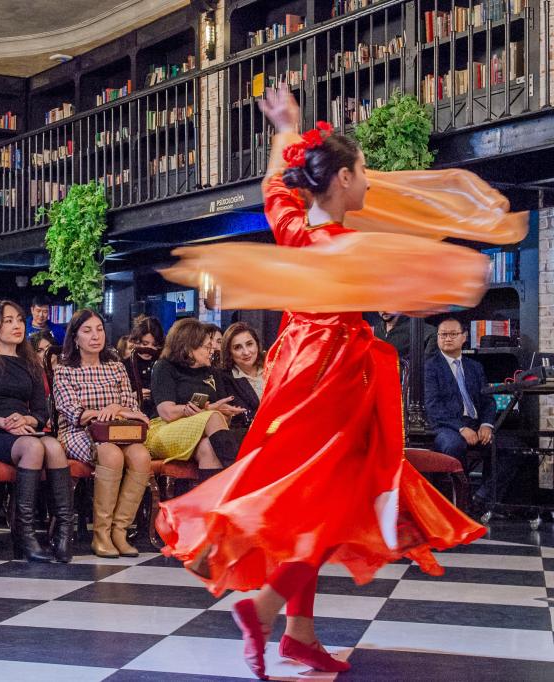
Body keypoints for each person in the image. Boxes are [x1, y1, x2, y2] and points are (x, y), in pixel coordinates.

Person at [157, 85, 501, 678]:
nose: (369, 180)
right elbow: (410, 286)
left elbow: (273, 187)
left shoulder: (296, 225)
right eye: (363, 169)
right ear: (340, 178)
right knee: (333, 498)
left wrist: (285, 128)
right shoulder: (346, 245)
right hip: (334, 371)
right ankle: (265, 611)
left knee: (311, 495)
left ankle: (298, 632)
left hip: (296, 364)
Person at [0, 300, 75, 562]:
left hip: (22, 428)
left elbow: (40, 412)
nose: (17, 325)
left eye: (20, 320)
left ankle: (63, 533)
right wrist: (1, 421)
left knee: (54, 447)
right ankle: (24, 535)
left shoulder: (30, 363)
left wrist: (26, 420)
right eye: (9, 320)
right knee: (34, 447)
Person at [53, 309, 151, 557]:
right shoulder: (64, 370)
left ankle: (120, 531)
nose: (95, 336)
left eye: (99, 329)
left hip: (117, 430)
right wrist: (105, 412)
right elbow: (73, 412)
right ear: (75, 338)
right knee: (110, 454)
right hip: (78, 432)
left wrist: (116, 408)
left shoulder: (116, 367)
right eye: (87, 331)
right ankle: (101, 534)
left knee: (141, 455)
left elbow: (131, 405)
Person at [425, 317, 509, 512]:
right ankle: (461, 504)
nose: (447, 339)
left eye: (453, 334)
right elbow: (433, 406)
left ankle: (481, 498)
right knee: (453, 445)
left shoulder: (475, 367)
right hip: (446, 425)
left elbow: (488, 400)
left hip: (476, 424)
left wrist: (487, 425)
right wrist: (461, 428)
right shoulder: (430, 367)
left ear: (464, 337)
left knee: (512, 448)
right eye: (443, 335)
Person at [145, 319, 244, 478]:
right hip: (163, 429)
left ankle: (209, 502)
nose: (211, 351)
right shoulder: (164, 367)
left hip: (204, 432)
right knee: (212, 416)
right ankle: (240, 477)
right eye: (207, 347)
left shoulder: (212, 372)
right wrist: (203, 410)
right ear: (189, 348)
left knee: (208, 448)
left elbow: (222, 422)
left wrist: (225, 412)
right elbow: (167, 413)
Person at [219, 322, 265, 435]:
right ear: (229, 352)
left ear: (257, 345)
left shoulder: (274, 366)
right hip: (248, 436)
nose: (246, 352)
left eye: (249, 344)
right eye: (237, 347)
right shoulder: (224, 378)